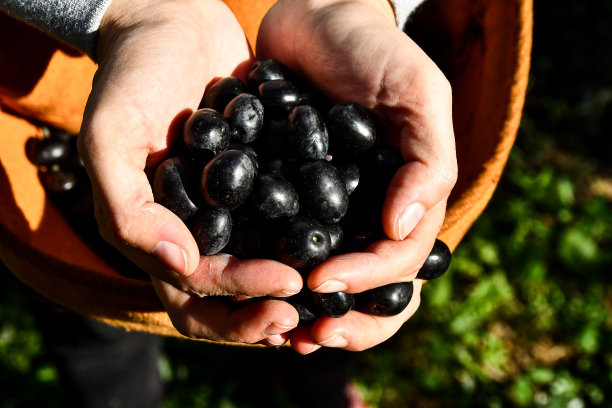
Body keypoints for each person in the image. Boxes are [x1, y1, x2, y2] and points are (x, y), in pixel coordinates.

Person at [0, 0, 457, 405]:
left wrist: (360, 5)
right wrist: (125, 9)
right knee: (100, 309)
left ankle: (318, 387)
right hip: (55, 80)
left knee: (315, 313)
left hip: (317, 44)